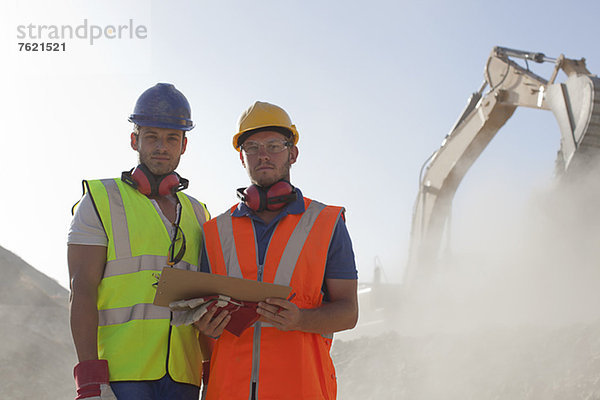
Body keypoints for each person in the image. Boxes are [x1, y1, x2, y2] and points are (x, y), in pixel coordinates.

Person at [196, 101, 359, 399]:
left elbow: (348, 312)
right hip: (228, 390)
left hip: (301, 389)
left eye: (274, 145)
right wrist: (206, 329)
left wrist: (301, 320)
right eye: (252, 147)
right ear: (241, 157)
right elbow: (203, 324)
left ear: (292, 153)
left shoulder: (327, 223)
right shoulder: (213, 232)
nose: (263, 155)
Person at [68, 83, 210, 400]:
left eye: (172, 138)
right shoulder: (101, 200)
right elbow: (83, 288)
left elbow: (205, 300)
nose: (162, 146)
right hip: (121, 376)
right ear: (135, 140)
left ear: (184, 145)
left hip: (184, 376)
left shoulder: (199, 214)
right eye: (152, 137)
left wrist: (211, 371)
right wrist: (90, 380)